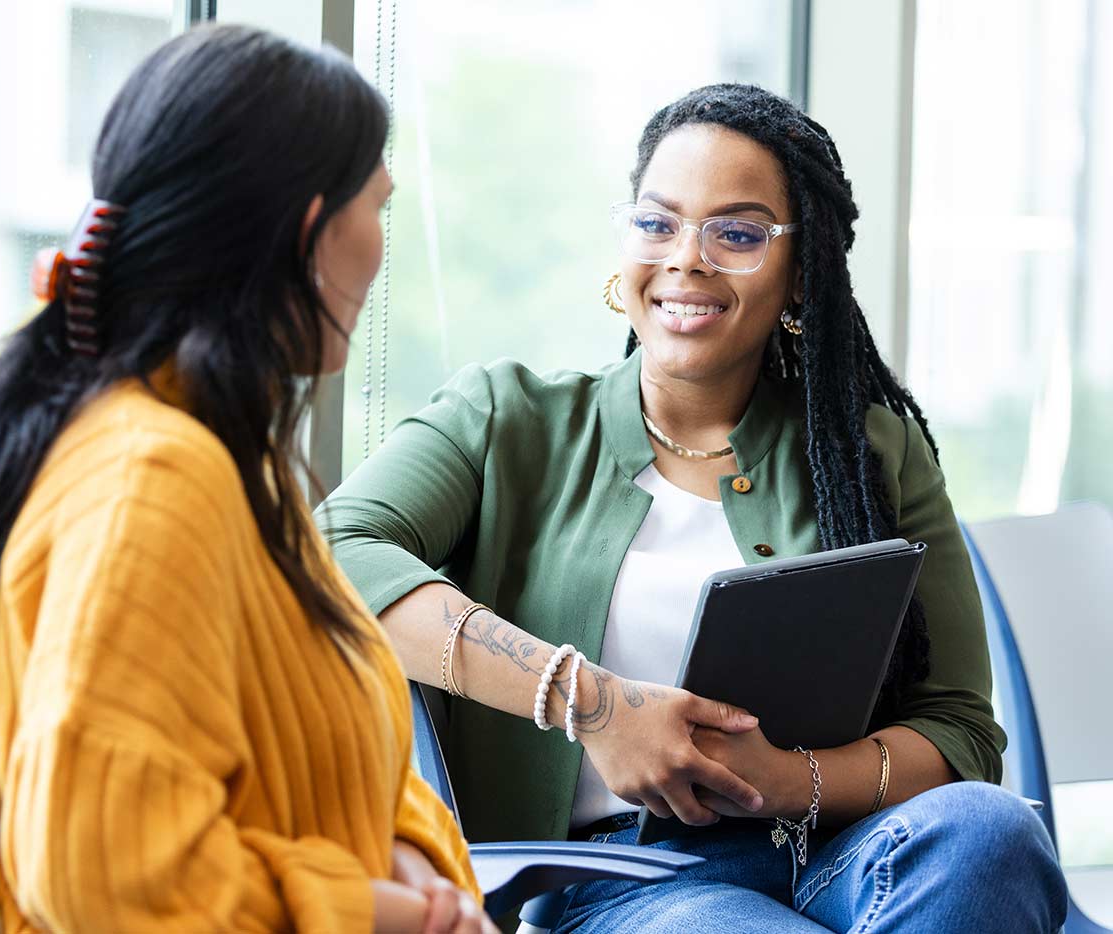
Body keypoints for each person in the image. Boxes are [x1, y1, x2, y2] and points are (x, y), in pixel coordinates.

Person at [317, 83, 1067, 932]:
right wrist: (590, 702)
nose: (687, 258)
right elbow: (329, 548)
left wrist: (788, 780)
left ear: (799, 276)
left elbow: (962, 732)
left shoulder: (873, 450)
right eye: (657, 222)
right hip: (627, 882)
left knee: (990, 833)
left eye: (738, 234)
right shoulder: (506, 418)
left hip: (845, 852)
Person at [0, 23, 495, 934]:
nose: (382, 246)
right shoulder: (154, 480)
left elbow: (351, 771)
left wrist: (413, 864)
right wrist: (383, 913)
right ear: (309, 231)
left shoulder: (215, 461)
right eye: (377, 205)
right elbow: (106, 873)